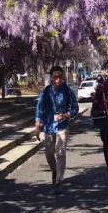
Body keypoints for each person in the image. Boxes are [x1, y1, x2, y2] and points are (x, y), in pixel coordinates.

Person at [35, 65, 79, 194]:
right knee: (49, 153)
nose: (58, 80)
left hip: (62, 126)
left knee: (60, 152)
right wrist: (38, 125)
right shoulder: (46, 91)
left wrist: (66, 115)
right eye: (55, 77)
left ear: (63, 77)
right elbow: (40, 108)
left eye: (60, 77)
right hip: (49, 126)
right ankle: (54, 170)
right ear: (51, 78)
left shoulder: (67, 91)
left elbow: (75, 108)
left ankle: (59, 179)